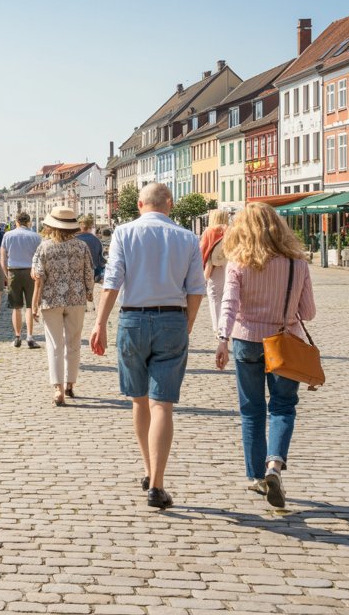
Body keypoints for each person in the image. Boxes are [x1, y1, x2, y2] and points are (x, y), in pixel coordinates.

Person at [90, 182, 204, 509]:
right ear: (170, 204)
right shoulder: (187, 237)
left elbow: (112, 282)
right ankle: (157, 484)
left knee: (139, 401)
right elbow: (196, 289)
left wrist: (99, 323)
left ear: (140, 204)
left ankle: (147, 467)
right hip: (172, 319)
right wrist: (187, 324)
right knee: (162, 405)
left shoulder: (124, 233)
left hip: (133, 319)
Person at [215, 202, 315, 508]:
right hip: (284, 342)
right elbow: (308, 312)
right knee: (283, 407)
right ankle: (274, 465)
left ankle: (257, 477)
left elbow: (229, 303)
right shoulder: (297, 263)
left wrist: (222, 339)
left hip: (247, 341)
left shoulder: (239, 262)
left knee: (252, 410)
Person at [31, 207, 94, 405]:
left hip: (51, 300)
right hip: (76, 299)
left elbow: (38, 277)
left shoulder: (44, 247)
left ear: (52, 225)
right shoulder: (82, 246)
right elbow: (89, 272)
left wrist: (34, 304)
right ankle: (70, 384)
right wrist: (89, 293)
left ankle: (58, 389)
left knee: (54, 344)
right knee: (74, 343)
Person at [1, 212, 42, 346]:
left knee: (16, 307)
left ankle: (17, 337)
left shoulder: (7, 235)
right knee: (30, 306)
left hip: (13, 271)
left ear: (16, 222)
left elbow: (3, 257)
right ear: (29, 222)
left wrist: (6, 274)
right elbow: (40, 258)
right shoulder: (36, 236)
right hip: (31, 272)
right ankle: (30, 336)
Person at [201, 209, 230, 336]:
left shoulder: (210, 231)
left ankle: (218, 328)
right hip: (229, 266)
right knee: (228, 297)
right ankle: (227, 326)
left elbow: (203, 251)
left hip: (214, 268)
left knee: (214, 298)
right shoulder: (231, 231)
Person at [76, 215, 105, 312]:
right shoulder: (96, 240)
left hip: (77, 269)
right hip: (92, 269)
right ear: (91, 226)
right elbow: (101, 258)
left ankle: (81, 305)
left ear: (80, 225)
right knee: (89, 288)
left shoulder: (74, 240)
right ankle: (89, 304)